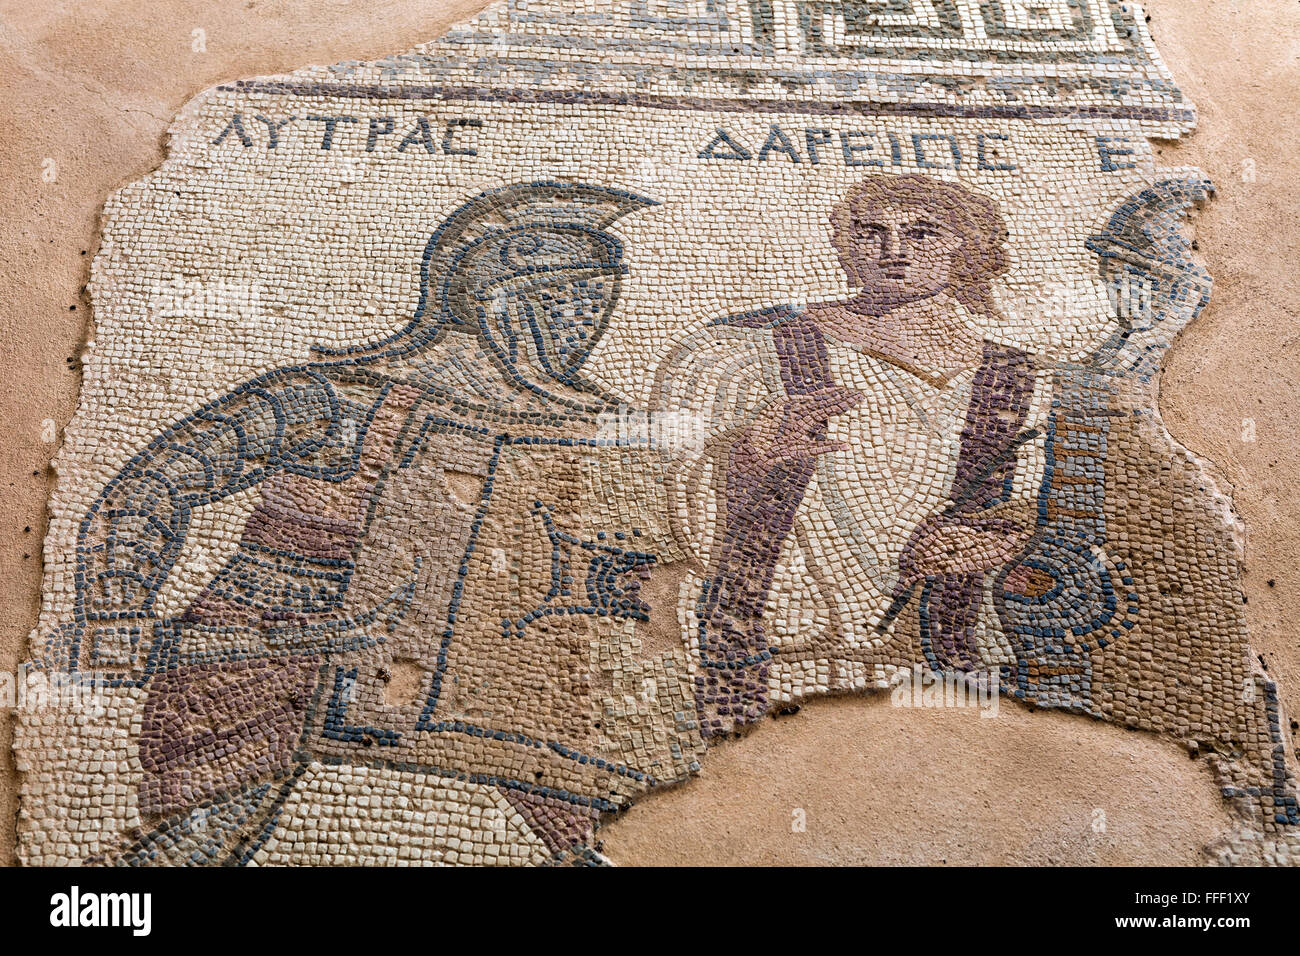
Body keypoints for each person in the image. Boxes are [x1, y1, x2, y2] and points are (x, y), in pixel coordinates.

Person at [51, 181, 697, 864]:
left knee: (579, 844)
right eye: (568, 302)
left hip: (491, 687)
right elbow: (163, 481)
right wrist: (114, 612)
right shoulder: (337, 400)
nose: (586, 327)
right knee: (188, 851)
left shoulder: (584, 429)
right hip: (268, 659)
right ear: (497, 299)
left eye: (600, 303)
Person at [654, 174, 1051, 736]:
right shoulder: (748, 350)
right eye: (871, 232)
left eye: (923, 233)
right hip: (786, 631)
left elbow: (1024, 506)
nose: (894, 251)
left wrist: (994, 541)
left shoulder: (1019, 378)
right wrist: (747, 454)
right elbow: (659, 483)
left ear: (967, 248)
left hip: (944, 638)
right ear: (845, 244)